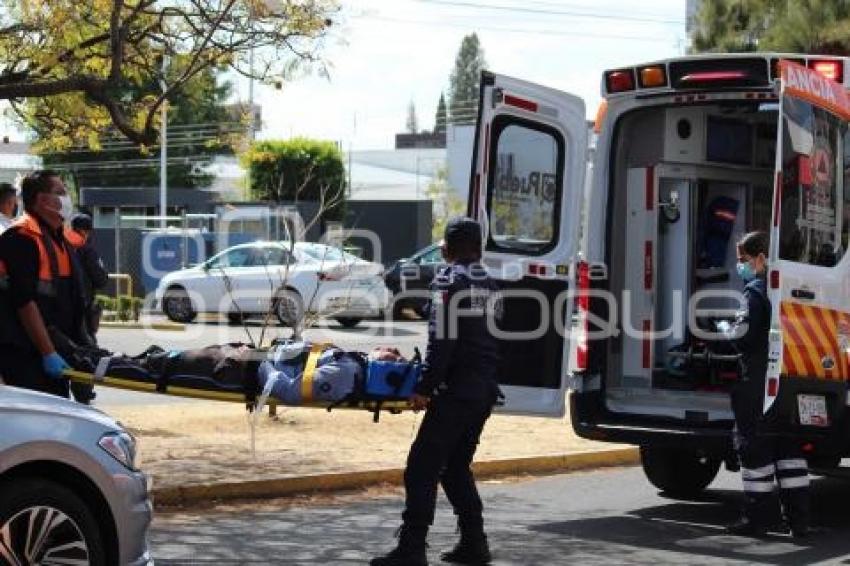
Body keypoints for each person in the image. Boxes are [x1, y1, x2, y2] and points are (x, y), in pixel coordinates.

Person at [371, 217, 502, 566]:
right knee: (456, 467)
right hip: (483, 391)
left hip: (456, 392)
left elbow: (443, 341)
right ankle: (475, 543)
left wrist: (424, 388)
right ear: (478, 248)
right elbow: (482, 330)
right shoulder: (488, 282)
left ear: (446, 247)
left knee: (421, 469)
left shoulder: (448, 279)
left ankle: (412, 549)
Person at [724, 231, 810, 538]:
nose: (741, 265)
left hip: (758, 383)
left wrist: (725, 329)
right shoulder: (789, 290)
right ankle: (798, 520)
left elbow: (742, 334)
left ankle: (757, 519)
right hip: (787, 380)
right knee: (788, 451)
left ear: (760, 258)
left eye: (743, 259)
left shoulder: (755, 292)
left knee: (754, 448)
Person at [0, 171, 86, 398]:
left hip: (57, 351)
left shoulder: (61, 239)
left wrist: (79, 351)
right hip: (26, 356)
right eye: (59, 192)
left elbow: (70, 299)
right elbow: (24, 301)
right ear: (40, 200)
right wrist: (48, 352)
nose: (66, 198)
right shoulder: (20, 237)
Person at [66, 213, 108, 404]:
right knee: (86, 354)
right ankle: (83, 395)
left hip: (56, 313)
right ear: (87, 231)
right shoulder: (86, 249)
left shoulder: (59, 245)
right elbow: (101, 279)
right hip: (81, 313)